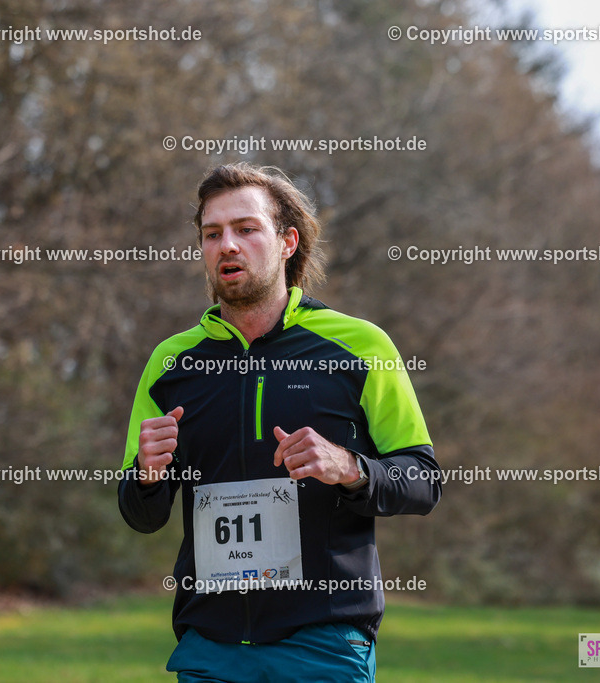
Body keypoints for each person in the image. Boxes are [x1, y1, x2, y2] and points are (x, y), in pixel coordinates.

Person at [118, 162, 441, 682]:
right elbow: (141, 514)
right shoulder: (170, 363)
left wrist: (349, 466)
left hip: (324, 643)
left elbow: (423, 481)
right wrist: (146, 476)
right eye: (212, 234)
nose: (228, 245)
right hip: (210, 649)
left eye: (246, 229)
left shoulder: (360, 347)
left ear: (287, 242)